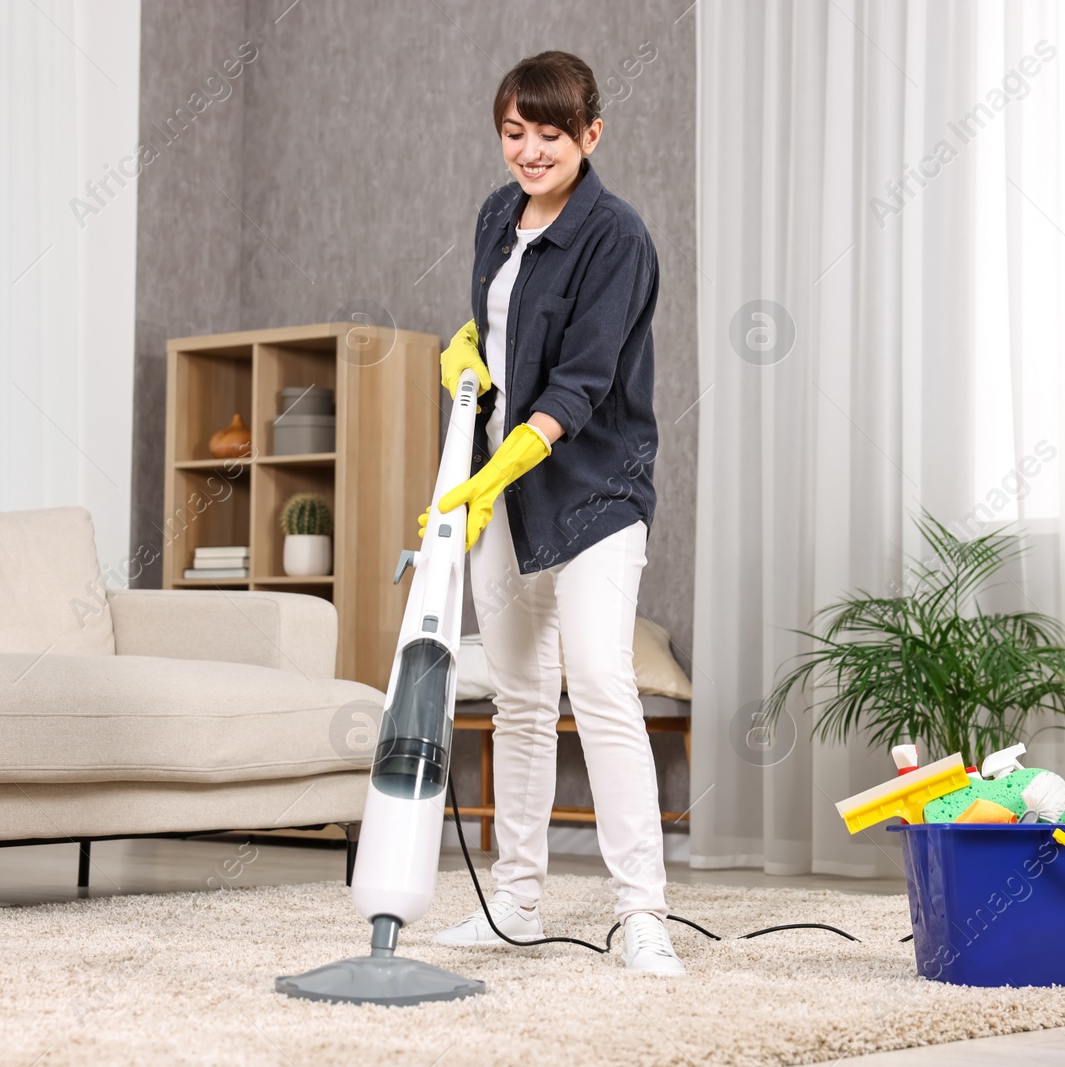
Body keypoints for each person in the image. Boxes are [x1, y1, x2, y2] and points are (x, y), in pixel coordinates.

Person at [417, 50, 680, 976]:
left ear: (590, 135)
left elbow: (582, 380)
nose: (530, 151)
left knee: (602, 686)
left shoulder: (618, 237)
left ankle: (643, 912)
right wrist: (463, 361)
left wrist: (505, 464)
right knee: (520, 697)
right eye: (514, 132)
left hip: (597, 493)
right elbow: (488, 334)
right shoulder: (497, 215)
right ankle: (516, 902)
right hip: (507, 492)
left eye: (551, 134)